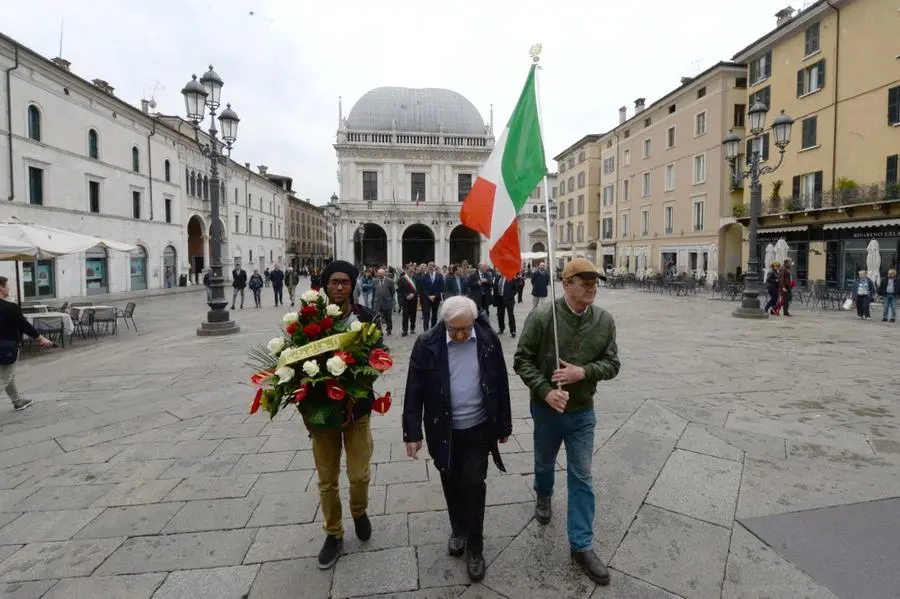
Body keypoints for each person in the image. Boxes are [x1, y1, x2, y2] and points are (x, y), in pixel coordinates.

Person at [513, 257, 620, 586]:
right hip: (547, 410)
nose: (591, 286)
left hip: (582, 411)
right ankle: (543, 494)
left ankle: (581, 544)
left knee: (582, 476)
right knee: (544, 463)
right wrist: (545, 390)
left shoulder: (604, 320)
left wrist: (583, 372)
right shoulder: (543, 316)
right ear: (566, 284)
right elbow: (522, 360)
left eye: (594, 281)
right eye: (583, 280)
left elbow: (612, 364)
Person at [403, 296, 512, 582]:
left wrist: (504, 424)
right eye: (455, 330)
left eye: (466, 328)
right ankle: (458, 529)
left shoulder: (488, 340)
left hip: (478, 426)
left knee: (474, 485)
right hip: (444, 429)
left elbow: (500, 381)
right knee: (450, 480)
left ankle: (475, 546)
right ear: (445, 324)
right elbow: (413, 391)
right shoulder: (427, 344)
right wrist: (412, 433)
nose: (461, 335)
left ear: (474, 321)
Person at [308, 260, 378, 570]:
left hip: (358, 409)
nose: (339, 286)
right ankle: (333, 533)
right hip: (322, 413)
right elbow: (294, 362)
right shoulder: (310, 319)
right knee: (327, 478)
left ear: (352, 285)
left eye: (344, 282)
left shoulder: (365, 317)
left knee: (359, 475)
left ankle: (359, 510)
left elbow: (379, 358)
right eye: (333, 282)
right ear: (325, 286)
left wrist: (361, 378)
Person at [0, 276, 54, 411]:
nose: (9, 288)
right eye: (7, 285)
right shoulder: (10, 307)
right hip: (6, 348)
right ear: (0, 288)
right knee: (4, 377)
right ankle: (17, 401)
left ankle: (17, 401)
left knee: (7, 376)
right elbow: (24, 325)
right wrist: (41, 339)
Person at [493, 271, 518, 337]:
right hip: (500, 299)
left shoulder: (511, 278)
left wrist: (510, 295)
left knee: (510, 315)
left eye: (502, 270)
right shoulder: (497, 278)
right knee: (500, 315)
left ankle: (513, 331)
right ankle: (501, 328)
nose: (501, 272)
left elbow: (515, 289)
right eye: (500, 270)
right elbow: (495, 288)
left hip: (509, 300)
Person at [420, 262, 444, 330]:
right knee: (426, 314)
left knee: (434, 315)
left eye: (432, 267)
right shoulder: (424, 276)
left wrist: (435, 296)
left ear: (434, 267)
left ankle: (433, 329)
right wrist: (429, 296)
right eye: (429, 267)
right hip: (427, 298)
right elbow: (423, 288)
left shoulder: (439, 275)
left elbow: (441, 287)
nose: (430, 268)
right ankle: (426, 330)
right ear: (427, 267)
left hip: (436, 298)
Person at [372, 268, 395, 335]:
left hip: (387, 302)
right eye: (379, 274)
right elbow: (374, 291)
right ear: (377, 274)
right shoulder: (374, 281)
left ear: (384, 274)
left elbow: (392, 291)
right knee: (376, 318)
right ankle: (379, 330)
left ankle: (389, 329)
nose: (380, 276)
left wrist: (388, 297)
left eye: (381, 274)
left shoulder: (390, 281)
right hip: (377, 302)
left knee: (388, 317)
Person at [397, 265, 419, 337]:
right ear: (406, 270)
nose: (411, 271)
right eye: (410, 270)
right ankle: (404, 330)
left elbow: (418, 288)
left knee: (413, 315)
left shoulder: (416, 278)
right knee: (405, 315)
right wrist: (406, 296)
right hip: (406, 300)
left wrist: (414, 294)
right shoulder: (402, 279)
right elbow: (400, 291)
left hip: (414, 300)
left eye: (413, 270)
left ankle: (412, 328)